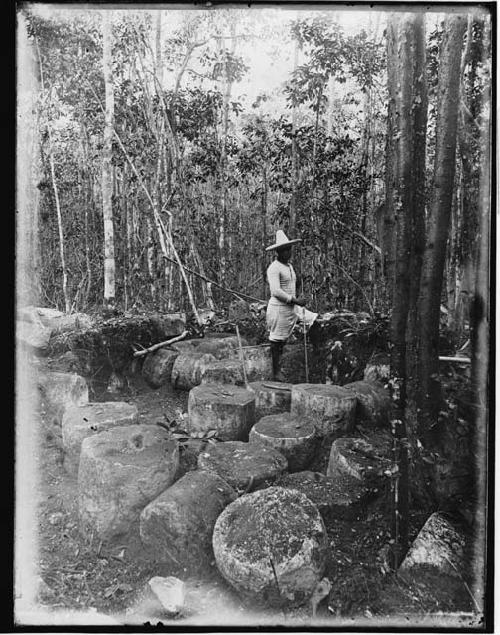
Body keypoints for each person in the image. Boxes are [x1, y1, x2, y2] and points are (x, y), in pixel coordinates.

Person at [265, 230, 316, 382]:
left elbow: (291, 284)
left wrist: (299, 297)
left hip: (293, 308)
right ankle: (275, 372)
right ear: (278, 252)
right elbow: (276, 291)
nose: (289, 253)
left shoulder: (290, 266)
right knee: (276, 341)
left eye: (289, 249)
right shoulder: (274, 268)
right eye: (285, 250)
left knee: (314, 320)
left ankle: (315, 358)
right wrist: (295, 300)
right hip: (279, 310)